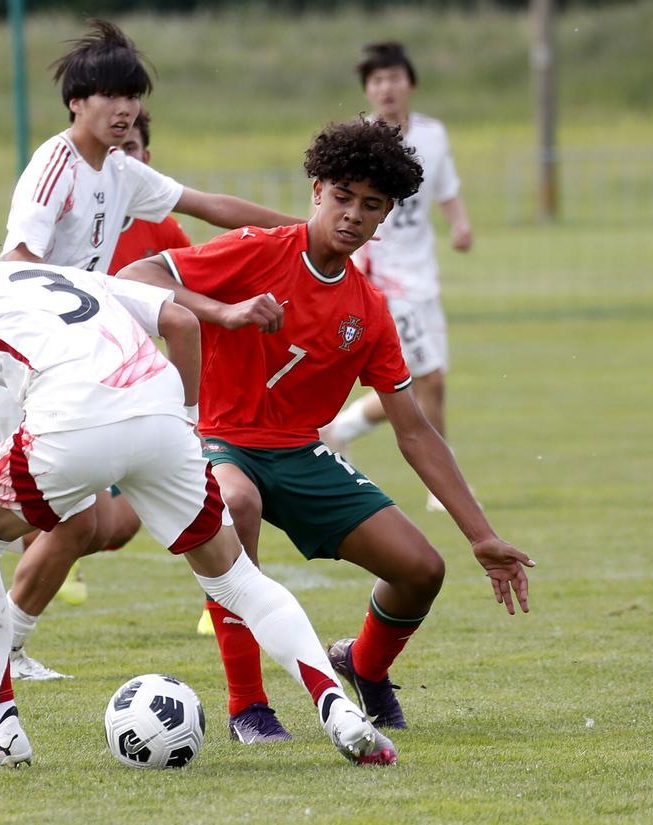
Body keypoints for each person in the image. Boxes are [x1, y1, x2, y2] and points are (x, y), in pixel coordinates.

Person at [0, 188, 397, 769]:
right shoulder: (56, 276)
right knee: (236, 579)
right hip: (160, 416)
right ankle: (337, 708)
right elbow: (178, 320)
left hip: (70, 423)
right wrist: (189, 425)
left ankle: (0, 731)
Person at [0, 20, 301, 678]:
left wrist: (307, 233)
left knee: (107, 525)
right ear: (77, 102)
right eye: (108, 93)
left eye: (132, 94)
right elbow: (18, 261)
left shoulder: (122, 169)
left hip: (82, 363)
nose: (124, 107)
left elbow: (209, 204)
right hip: (23, 370)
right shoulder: (55, 168)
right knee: (80, 525)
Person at [118, 117, 532, 741]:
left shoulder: (368, 309)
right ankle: (247, 707)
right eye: (342, 197)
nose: (353, 215)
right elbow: (135, 278)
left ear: (386, 214)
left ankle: (363, 665)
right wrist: (221, 311)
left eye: (371, 206)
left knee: (422, 570)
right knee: (236, 502)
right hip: (221, 440)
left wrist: (481, 535)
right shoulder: (259, 248)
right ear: (316, 190)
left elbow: (414, 431)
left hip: (302, 455)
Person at [322, 43, 474, 513]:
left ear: (410, 83)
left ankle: (342, 430)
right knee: (427, 378)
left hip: (423, 274)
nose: (386, 88)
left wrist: (460, 223)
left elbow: (444, 188)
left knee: (427, 380)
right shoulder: (360, 139)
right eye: (376, 81)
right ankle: (441, 487)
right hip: (383, 275)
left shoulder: (432, 135)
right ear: (368, 90)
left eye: (394, 78)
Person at [106, 109, 192, 275]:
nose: (119, 157)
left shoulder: (166, 229)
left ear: (145, 158)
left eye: (129, 148)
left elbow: (189, 285)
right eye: (110, 149)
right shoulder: (68, 220)